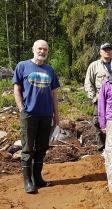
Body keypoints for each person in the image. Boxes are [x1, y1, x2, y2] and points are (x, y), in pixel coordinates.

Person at [12, 40, 60, 193]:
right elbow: (17, 89)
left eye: (45, 49)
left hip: (46, 115)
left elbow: (54, 94)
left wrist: (56, 115)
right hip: (29, 114)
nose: (42, 51)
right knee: (27, 149)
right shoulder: (22, 66)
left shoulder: (50, 70)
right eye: (40, 48)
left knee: (42, 147)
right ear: (33, 49)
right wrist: (21, 109)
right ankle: (28, 182)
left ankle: (37, 178)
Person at [84, 42, 112, 151]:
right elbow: (88, 82)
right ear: (100, 52)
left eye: (109, 49)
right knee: (97, 122)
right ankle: (101, 147)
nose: (107, 51)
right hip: (99, 100)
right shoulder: (94, 65)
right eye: (105, 50)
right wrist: (93, 97)